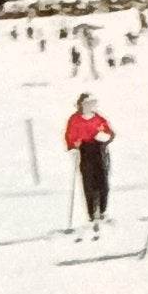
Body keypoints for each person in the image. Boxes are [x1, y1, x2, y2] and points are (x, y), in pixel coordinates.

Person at [64, 91, 114, 236]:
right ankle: (92, 214)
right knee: (89, 183)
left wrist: (106, 137)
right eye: (86, 103)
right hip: (85, 152)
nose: (89, 106)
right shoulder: (75, 119)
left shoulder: (98, 118)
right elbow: (69, 136)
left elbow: (110, 133)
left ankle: (102, 210)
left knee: (103, 183)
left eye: (92, 103)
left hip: (99, 151)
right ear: (81, 104)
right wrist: (73, 145)